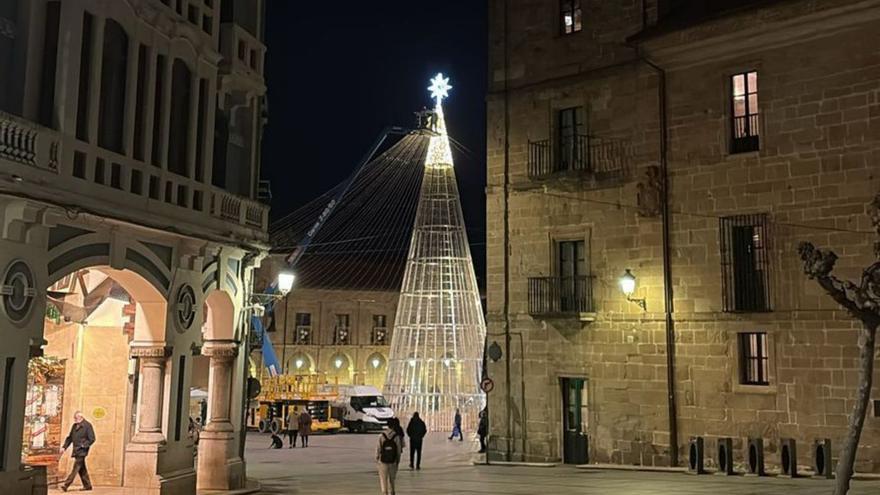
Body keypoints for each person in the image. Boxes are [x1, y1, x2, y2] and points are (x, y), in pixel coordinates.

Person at [59, 411, 95, 492]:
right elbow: (70, 438)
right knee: (82, 469)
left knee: (76, 468)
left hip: (82, 451)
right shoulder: (74, 426)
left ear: (81, 418)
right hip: (76, 450)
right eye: (74, 418)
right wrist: (64, 447)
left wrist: (83, 445)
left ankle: (66, 485)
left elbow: (92, 439)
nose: (75, 420)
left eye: (76, 418)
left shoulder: (87, 426)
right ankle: (87, 485)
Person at [376, 418, 405, 495]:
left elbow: (378, 449)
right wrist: (397, 460)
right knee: (392, 479)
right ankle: (392, 491)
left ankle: (384, 492)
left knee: (383, 479)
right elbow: (398, 450)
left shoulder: (381, 436)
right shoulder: (396, 437)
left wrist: (377, 459)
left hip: (383, 461)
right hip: (393, 461)